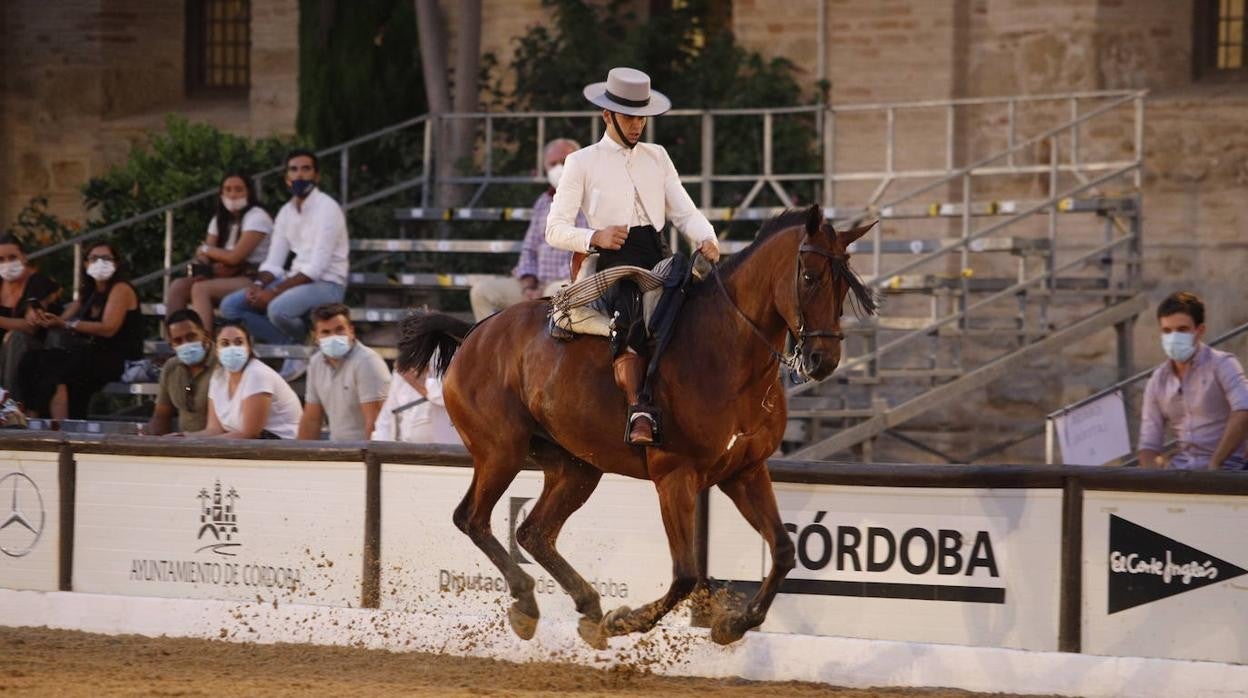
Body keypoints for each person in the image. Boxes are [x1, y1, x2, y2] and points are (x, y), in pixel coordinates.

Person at [546, 67, 720, 445]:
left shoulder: (657, 157)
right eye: (629, 116)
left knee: (706, 302)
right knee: (631, 308)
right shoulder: (582, 162)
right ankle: (638, 407)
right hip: (611, 261)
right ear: (607, 115)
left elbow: (685, 211)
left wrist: (707, 237)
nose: (638, 124)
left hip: (657, 255)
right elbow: (554, 229)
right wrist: (595, 235)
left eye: (642, 116)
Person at [219, 149, 349, 379]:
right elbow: (274, 261)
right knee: (231, 306)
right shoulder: (286, 211)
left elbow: (316, 268)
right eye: (294, 169)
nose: (299, 175)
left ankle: (298, 350)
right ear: (286, 178)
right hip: (295, 278)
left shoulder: (328, 208)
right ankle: (291, 345)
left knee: (277, 308)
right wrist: (259, 285)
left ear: (316, 176)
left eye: (306, 169)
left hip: (328, 283)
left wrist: (275, 291)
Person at [16, 241, 143, 419]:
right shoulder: (89, 293)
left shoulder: (121, 288)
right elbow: (64, 318)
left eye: (106, 258)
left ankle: (56, 426)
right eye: (94, 258)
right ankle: (32, 415)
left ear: (116, 263)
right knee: (32, 359)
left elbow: (108, 328)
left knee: (57, 368)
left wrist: (66, 324)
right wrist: (43, 317)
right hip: (91, 353)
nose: (100, 262)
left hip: (117, 357)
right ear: (85, 263)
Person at [468, 138, 586, 321]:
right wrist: (528, 287)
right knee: (481, 292)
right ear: (545, 168)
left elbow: (584, 252)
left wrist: (541, 291)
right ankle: (492, 348)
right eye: (553, 164)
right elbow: (529, 248)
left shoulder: (588, 200)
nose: (559, 168)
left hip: (569, 285)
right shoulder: (543, 202)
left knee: (553, 292)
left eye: (564, 162)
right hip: (535, 286)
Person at [1138, 291, 1248, 471]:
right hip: (1181, 473)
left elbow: (1243, 410)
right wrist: (1155, 479)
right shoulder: (1157, 381)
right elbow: (1148, 445)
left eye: (1182, 330)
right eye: (1167, 331)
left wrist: (1215, 463)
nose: (1173, 337)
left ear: (1200, 331)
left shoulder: (1222, 364)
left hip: (1228, 472)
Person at [165, 172, 273, 334]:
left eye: (238, 190)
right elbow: (204, 256)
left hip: (253, 277)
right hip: (221, 276)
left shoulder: (257, 217)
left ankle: (204, 343)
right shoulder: (220, 218)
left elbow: (235, 257)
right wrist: (204, 266)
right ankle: (175, 340)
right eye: (227, 190)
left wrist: (206, 250)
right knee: (178, 286)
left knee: (201, 289)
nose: (233, 195)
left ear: (249, 192)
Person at [186, 320, 303, 439]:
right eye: (225, 344)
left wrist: (201, 444)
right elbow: (215, 429)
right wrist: (186, 438)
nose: (232, 348)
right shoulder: (218, 376)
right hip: (245, 446)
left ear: (249, 347)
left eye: (239, 342)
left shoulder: (257, 374)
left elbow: (249, 434)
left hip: (281, 446)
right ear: (216, 350)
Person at [296, 303, 390, 441]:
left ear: (351, 331)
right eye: (325, 332)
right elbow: (311, 420)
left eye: (339, 330)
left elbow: (374, 423)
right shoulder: (316, 363)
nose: (333, 336)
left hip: (364, 453)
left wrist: (366, 461)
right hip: (339, 451)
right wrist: (300, 459)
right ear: (316, 337)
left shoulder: (367, 362)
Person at [0, 233, 62, 391]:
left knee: (15, 337)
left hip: (35, 347)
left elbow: (32, 326)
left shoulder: (38, 283)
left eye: (12, 257)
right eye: (1, 260)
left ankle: (11, 406)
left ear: (24, 257)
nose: (7, 263)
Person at [373, 335, 460, 443]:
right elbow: (386, 418)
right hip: (406, 451)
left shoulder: (448, 361)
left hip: (444, 451)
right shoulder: (403, 370)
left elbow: (444, 396)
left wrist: (417, 382)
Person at [145, 309, 216, 436]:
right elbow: (161, 415)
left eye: (191, 337)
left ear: (206, 336)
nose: (186, 344)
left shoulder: (223, 364)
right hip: (183, 447)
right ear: (171, 345)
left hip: (221, 445)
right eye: (178, 341)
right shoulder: (171, 367)